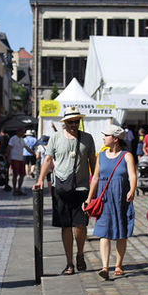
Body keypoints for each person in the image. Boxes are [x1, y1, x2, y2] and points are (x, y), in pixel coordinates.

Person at [34, 108, 96, 275]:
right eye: (71, 122)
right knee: (65, 225)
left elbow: (92, 162)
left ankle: (80, 253)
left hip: (82, 188)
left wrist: (95, 184)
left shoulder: (87, 138)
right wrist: (40, 179)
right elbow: (47, 160)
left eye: (77, 121)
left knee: (81, 225)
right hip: (60, 187)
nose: (74, 124)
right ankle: (69, 263)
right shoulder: (55, 138)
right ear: (64, 123)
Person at [84, 124, 137, 279]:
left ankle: (118, 265)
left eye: (106, 135)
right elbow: (95, 177)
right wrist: (89, 198)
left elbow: (132, 175)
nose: (103, 138)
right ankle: (105, 267)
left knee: (121, 232)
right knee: (103, 232)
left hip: (121, 197)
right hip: (104, 197)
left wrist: (132, 190)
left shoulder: (127, 156)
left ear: (115, 139)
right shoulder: (101, 156)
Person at [7, 128, 32, 195]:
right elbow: (9, 148)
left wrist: (33, 153)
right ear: (18, 132)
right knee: (15, 174)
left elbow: (26, 147)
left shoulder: (22, 140)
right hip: (14, 158)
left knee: (22, 174)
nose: (23, 133)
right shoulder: (13, 139)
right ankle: (14, 189)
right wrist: (8, 158)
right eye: (22, 132)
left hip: (21, 159)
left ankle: (19, 188)